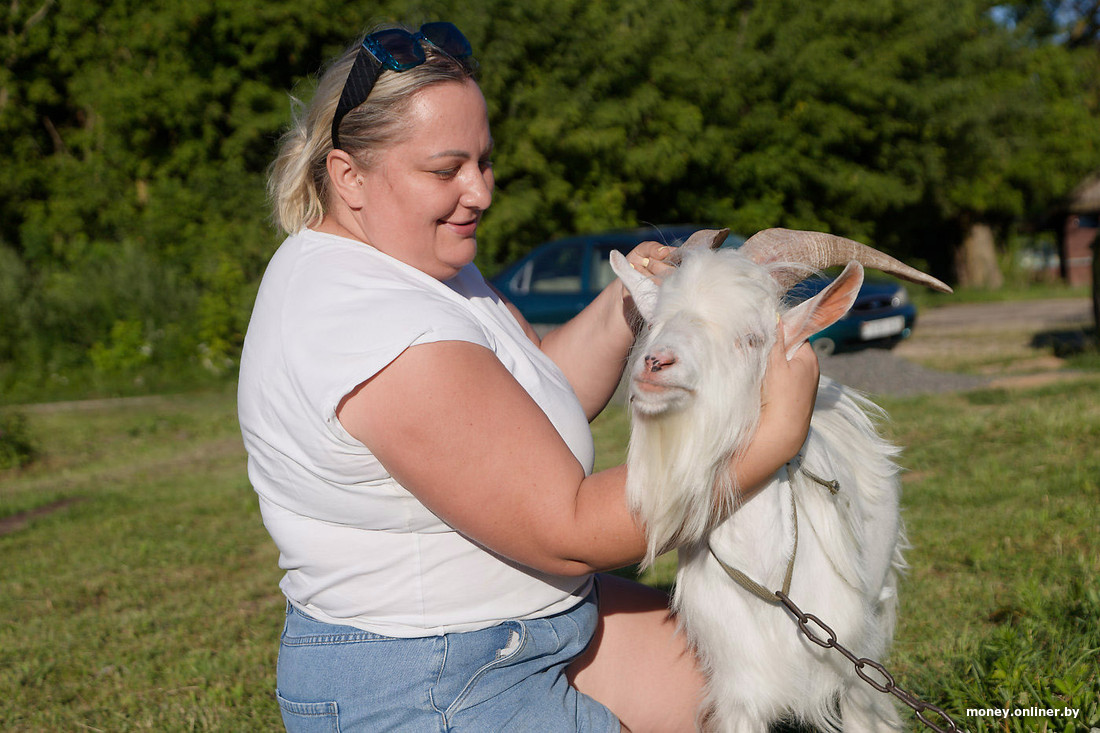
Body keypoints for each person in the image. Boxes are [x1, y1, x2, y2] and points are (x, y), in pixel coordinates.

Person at [238, 21, 820, 733]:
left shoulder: (415, 264)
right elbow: (569, 526)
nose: (479, 192)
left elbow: (521, 414)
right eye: (445, 169)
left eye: (483, 162)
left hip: (528, 633)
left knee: (779, 687)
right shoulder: (369, 322)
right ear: (348, 175)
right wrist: (772, 435)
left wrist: (625, 310)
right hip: (432, 684)